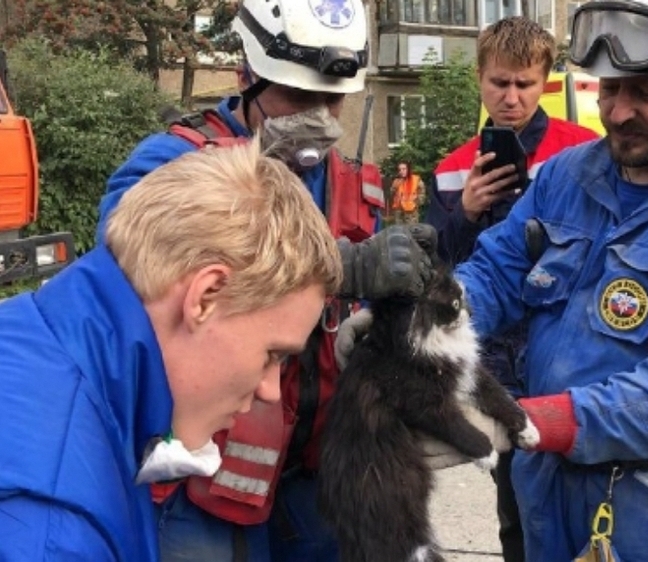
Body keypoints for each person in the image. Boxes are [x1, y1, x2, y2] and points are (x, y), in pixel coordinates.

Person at [95, 1, 436, 560]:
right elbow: (133, 271)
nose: (321, 118)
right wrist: (340, 267)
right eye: (299, 98)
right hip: (204, 482)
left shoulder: (351, 181)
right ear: (245, 76)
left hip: (321, 481)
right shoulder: (172, 163)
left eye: (333, 99)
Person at [440, 0, 648, 559]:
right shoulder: (565, 175)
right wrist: (418, 329)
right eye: (608, 89)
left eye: (647, 93)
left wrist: (525, 421)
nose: (617, 112)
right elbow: (493, 274)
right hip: (545, 491)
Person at [0, 143, 344, 561]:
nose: (271, 390)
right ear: (204, 296)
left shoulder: (35, 333)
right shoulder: (51, 532)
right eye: (273, 354)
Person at [424, 16, 598, 562]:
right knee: (514, 506)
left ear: (545, 80)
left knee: (585, 495)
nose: (512, 97)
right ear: (480, 78)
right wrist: (467, 211)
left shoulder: (587, 152)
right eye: (500, 82)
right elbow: (439, 267)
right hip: (495, 362)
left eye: (525, 84)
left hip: (568, 349)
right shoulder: (453, 170)